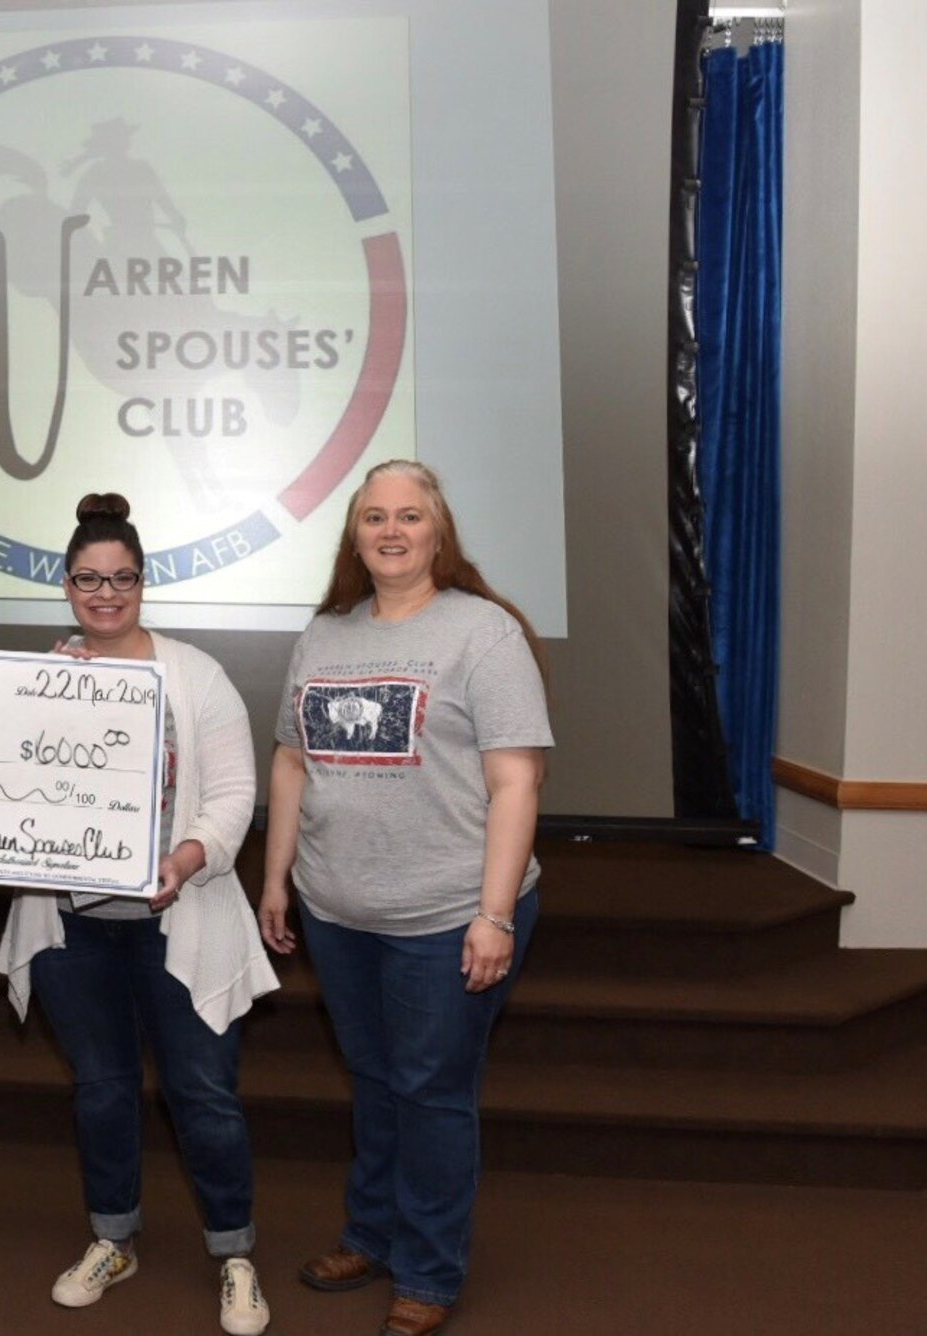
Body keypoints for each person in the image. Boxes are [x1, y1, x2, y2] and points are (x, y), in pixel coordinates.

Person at [257, 460, 552, 1336]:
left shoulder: (483, 634)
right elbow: (290, 760)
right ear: (354, 534)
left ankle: (428, 1268)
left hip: (448, 916)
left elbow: (517, 783)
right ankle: (373, 1234)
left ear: (438, 532)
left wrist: (494, 914)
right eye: (374, 516)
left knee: (431, 1092)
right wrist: (275, 879)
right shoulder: (324, 636)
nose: (392, 530)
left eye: (410, 516)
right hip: (339, 912)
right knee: (379, 1082)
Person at [0, 493, 279, 1336]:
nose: (105, 594)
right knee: (102, 1092)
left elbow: (232, 796)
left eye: (121, 579)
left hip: (175, 917)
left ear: (144, 583)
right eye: (89, 579)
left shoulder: (198, 676)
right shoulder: (46, 679)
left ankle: (234, 1255)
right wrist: (41, 706)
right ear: (68, 585)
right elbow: (0, 791)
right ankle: (112, 1238)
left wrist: (185, 860)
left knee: (203, 1094)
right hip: (70, 927)